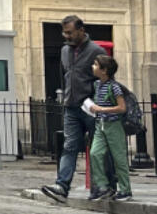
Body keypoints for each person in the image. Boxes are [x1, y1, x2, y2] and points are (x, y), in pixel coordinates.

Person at [41, 15, 106, 203]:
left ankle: (99, 187)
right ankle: (62, 186)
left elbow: (105, 79)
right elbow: (67, 75)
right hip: (71, 107)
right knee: (69, 146)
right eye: (64, 32)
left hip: (91, 108)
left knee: (97, 149)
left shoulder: (97, 51)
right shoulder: (64, 51)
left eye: (69, 32)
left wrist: (96, 103)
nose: (66, 36)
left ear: (81, 30)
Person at [87, 55, 133, 201]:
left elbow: (122, 108)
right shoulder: (97, 85)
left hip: (113, 125)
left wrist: (100, 109)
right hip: (100, 125)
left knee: (119, 158)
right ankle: (103, 186)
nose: (92, 67)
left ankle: (125, 190)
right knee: (95, 153)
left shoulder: (114, 87)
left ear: (104, 70)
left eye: (95, 65)